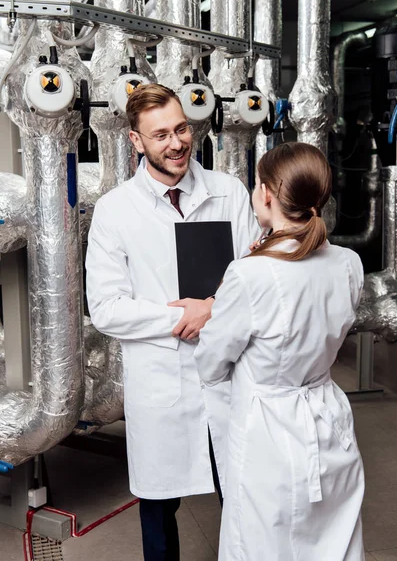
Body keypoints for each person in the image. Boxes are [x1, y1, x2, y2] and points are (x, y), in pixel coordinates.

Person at [85, 83, 258, 561]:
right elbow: (106, 307)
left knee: (242, 498)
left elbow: (255, 279)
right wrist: (183, 315)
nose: (177, 142)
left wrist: (214, 308)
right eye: (160, 135)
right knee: (159, 511)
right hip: (161, 382)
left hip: (228, 375)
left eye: (181, 128)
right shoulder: (115, 210)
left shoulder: (227, 192)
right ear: (136, 142)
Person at [194, 142, 365, 561]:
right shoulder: (348, 262)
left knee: (261, 548)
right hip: (331, 424)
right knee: (333, 545)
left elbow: (212, 361)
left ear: (267, 193)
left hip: (266, 435)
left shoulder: (249, 273)